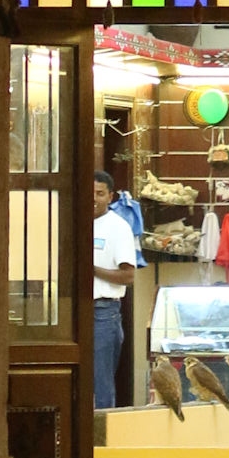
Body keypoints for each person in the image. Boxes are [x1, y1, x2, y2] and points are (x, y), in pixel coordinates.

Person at [91, 172, 140, 412]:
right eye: (89, 193)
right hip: (74, 311)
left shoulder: (118, 227)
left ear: (110, 197)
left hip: (103, 313)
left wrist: (91, 270)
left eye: (100, 194)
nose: (94, 199)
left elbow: (128, 276)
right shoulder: (73, 220)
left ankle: (101, 432)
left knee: (102, 383)